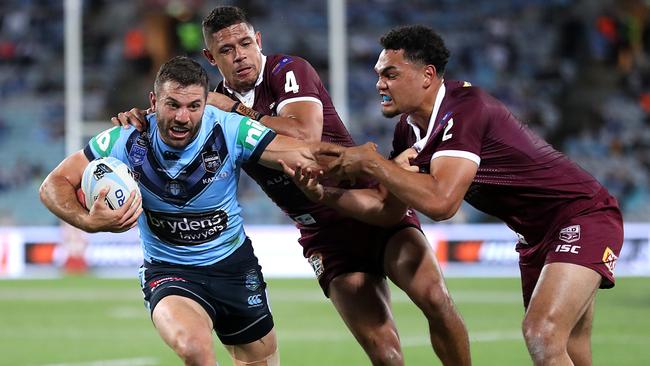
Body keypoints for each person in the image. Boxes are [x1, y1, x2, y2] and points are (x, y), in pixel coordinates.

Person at [114, 6, 471, 366]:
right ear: (210, 57)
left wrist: (238, 110)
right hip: (324, 235)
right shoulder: (206, 109)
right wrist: (136, 121)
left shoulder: (286, 71)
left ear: (259, 41)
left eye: (244, 43)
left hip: (371, 206)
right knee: (385, 352)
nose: (240, 56)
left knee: (436, 300)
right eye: (226, 50)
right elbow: (172, 123)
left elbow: (305, 135)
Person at [303, 25, 624, 366]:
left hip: (581, 216)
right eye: (378, 74)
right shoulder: (408, 129)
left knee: (542, 332)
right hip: (536, 237)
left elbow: (442, 203)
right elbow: (388, 210)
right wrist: (325, 193)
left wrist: (373, 164)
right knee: (570, 348)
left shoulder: (465, 108)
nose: (380, 83)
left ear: (427, 75)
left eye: (390, 74)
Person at [40, 56, 329, 366]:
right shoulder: (125, 138)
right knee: (194, 348)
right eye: (172, 104)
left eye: (194, 107)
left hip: (234, 268)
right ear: (153, 101)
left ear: (207, 104)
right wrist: (88, 221)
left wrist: (361, 166)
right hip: (169, 271)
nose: (183, 117)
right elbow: (53, 184)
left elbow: (302, 151)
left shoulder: (231, 130)